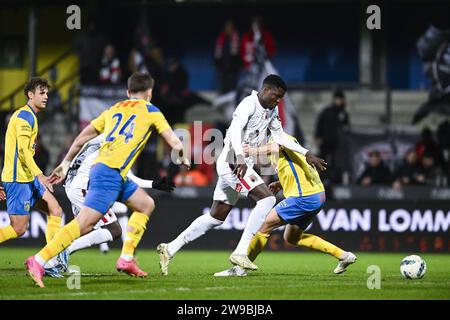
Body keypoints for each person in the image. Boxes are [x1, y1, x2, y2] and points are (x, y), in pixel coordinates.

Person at [25, 72, 190, 288]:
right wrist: (183, 158)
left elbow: (81, 138)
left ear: (128, 92)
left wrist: (65, 164)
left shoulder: (113, 109)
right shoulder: (152, 111)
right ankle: (39, 260)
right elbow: (174, 143)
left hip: (110, 172)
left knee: (146, 204)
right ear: (149, 93)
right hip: (109, 174)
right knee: (84, 224)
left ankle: (126, 258)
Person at [157, 74, 326, 275]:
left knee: (216, 217)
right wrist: (238, 157)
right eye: (276, 95)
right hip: (232, 161)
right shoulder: (248, 104)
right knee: (267, 200)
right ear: (265, 90)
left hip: (240, 163)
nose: (278, 100)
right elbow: (235, 130)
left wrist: (306, 153)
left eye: (281, 97)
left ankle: (170, 248)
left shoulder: (271, 111)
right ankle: (240, 252)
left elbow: (280, 137)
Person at [214, 134, 356, 276]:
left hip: (304, 196)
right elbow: (297, 167)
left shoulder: (277, 137)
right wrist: (280, 183)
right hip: (316, 195)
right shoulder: (284, 143)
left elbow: (275, 146)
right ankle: (344, 256)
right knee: (292, 237)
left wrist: (251, 150)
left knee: (264, 225)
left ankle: (240, 269)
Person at [43, 134, 176, 277]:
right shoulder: (118, 140)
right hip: (83, 186)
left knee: (84, 228)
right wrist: (152, 184)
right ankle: (57, 256)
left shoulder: (102, 136)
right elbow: (124, 175)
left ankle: (52, 260)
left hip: (74, 183)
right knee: (114, 230)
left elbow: (79, 146)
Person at [0, 78, 63, 246]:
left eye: (47, 93)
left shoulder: (31, 117)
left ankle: (50, 261)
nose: (46, 97)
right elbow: (22, 152)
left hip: (28, 177)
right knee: (19, 229)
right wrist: (40, 175)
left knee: (55, 210)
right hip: (18, 179)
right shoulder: (24, 116)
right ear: (30, 94)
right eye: (42, 93)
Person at [315, 89, 350, 184]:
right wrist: (318, 136)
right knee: (323, 161)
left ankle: (334, 181)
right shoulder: (327, 111)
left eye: (340, 99)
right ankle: (321, 180)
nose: (339, 101)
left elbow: (347, 129)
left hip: (338, 144)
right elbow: (320, 124)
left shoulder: (344, 114)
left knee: (336, 163)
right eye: (337, 99)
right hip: (326, 142)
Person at [214, 20, 241, 93]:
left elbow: (237, 54)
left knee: (232, 87)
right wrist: (218, 64)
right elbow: (217, 54)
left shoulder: (236, 38)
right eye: (227, 27)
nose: (228, 29)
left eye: (230, 27)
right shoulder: (222, 38)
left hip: (233, 69)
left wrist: (235, 65)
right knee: (223, 86)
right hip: (223, 68)